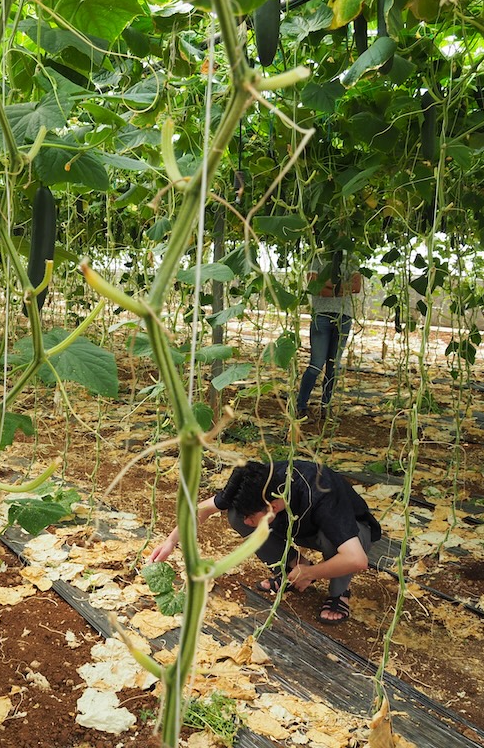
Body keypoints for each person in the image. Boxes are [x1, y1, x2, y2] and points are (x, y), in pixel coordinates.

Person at [148, 459, 381, 625]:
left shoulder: (320, 491)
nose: (247, 522)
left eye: (252, 516)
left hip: (346, 532)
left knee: (336, 542)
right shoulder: (258, 481)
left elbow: (356, 559)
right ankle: (291, 569)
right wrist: (170, 541)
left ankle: (339, 593)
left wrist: (312, 573)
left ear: (274, 505)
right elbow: (204, 509)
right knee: (234, 516)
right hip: (296, 523)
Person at [296, 250, 362, 421]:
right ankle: (301, 406)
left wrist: (327, 285)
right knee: (316, 365)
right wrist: (341, 287)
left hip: (344, 316)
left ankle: (325, 408)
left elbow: (356, 286)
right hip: (322, 315)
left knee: (334, 366)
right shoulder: (317, 257)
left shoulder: (352, 257)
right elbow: (314, 286)